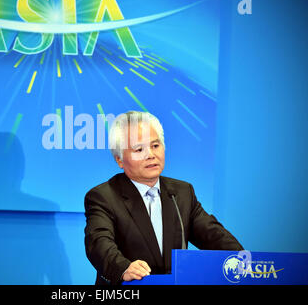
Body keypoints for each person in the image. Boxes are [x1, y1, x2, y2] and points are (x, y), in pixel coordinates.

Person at [84, 111, 243, 285]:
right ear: (119, 160)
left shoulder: (182, 192)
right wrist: (123, 268)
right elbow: (99, 243)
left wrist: (242, 259)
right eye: (139, 149)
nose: (150, 155)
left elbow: (214, 236)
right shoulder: (104, 196)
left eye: (155, 145)